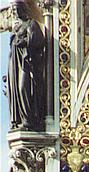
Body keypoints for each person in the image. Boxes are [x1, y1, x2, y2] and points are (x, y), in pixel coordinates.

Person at [0, 0, 45, 130]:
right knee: (16, 89)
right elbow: (12, 49)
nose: (15, 12)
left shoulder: (32, 24)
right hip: (15, 65)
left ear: (23, 9)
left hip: (27, 62)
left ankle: (29, 119)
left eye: (17, 10)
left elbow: (39, 41)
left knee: (23, 88)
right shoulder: (16, 27)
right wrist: (9, 73)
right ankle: (20, 120)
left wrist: (25, 42)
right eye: (13, 11)